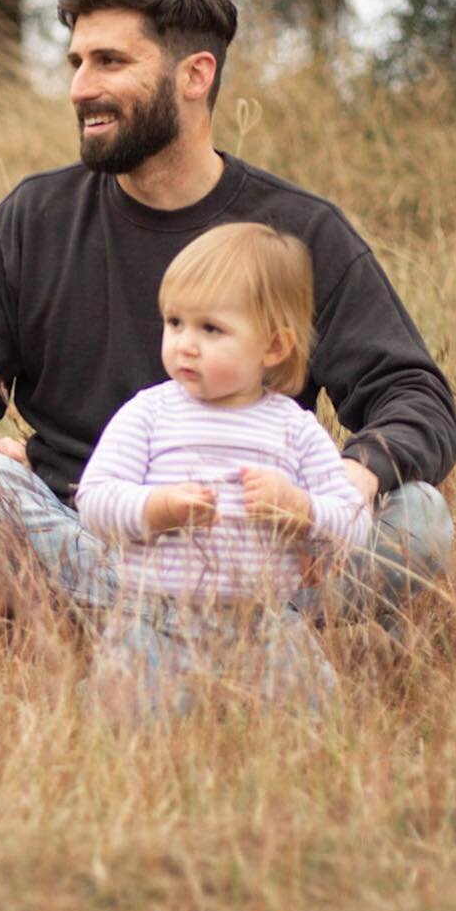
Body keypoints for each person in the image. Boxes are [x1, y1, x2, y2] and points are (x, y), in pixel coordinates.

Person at [0, 0, 456, 626]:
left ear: (195, 75)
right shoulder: (35, 218)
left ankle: (169, 629)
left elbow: (416, 397)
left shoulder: (301, 231)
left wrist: (356, 475)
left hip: (264, 556)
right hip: (89, 538)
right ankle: (236, 634)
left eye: (109, 61)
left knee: (419, 516)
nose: (80, 88)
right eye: (76, 62)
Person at [76, 223, 371, 718]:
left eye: (211, 329)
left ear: (273, 348)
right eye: (175, 323)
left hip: (265, 622)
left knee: (312, 716)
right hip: (155, 619)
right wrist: (155, 508)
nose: (185, 344)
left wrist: (301, 510)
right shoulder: (148, 413)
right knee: (127, 715)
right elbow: (95, 500)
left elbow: (353, 521)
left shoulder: (293, 428)